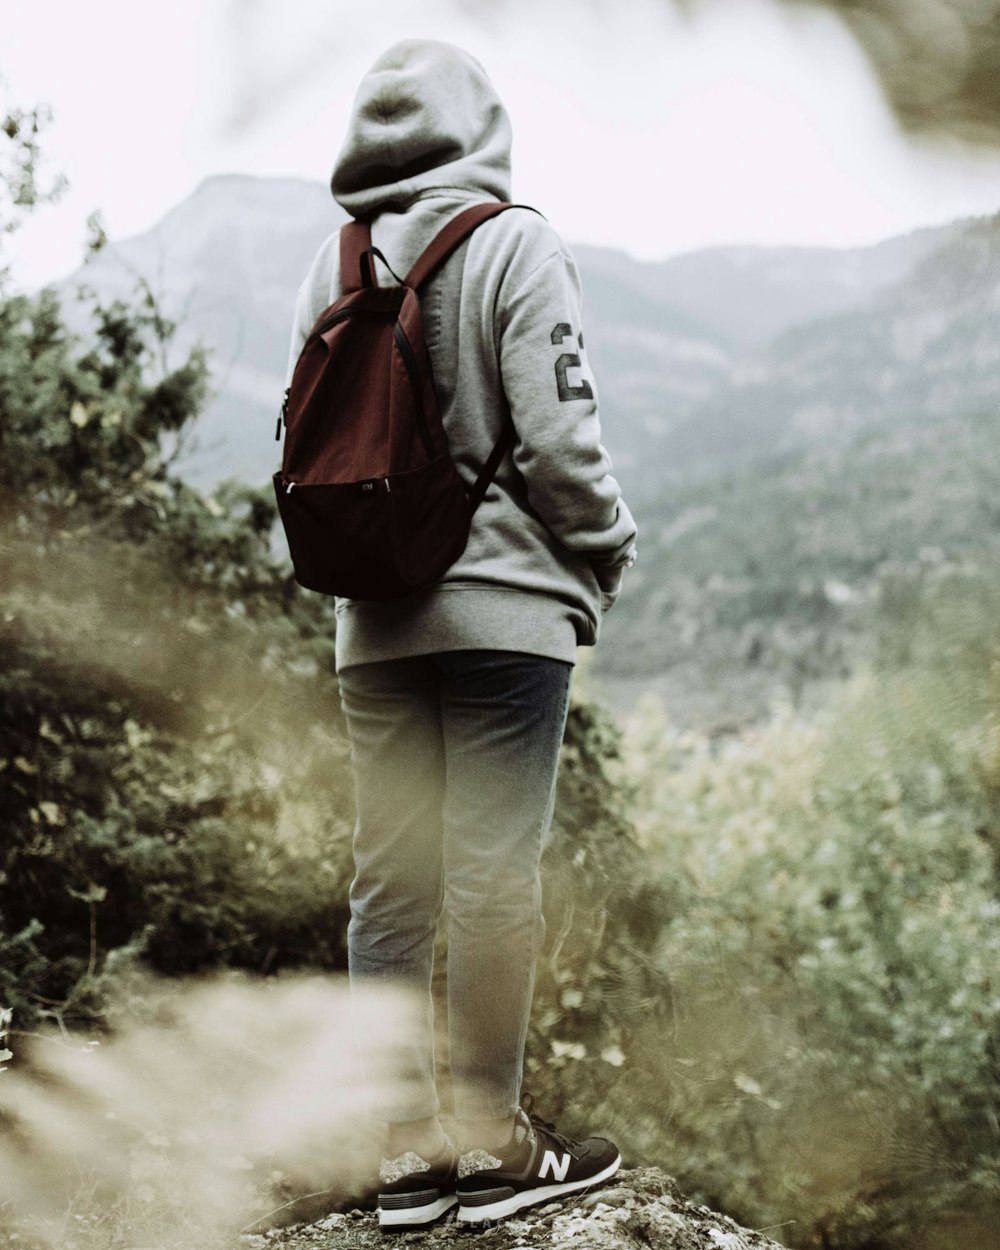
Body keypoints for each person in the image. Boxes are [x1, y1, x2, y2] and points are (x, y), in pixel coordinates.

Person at [283, 38, 637, 1228]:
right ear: (479, 125)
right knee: (493, 873)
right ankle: (491, 1144)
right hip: (504, 615)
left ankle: (398, 1156)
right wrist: (607, 548)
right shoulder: (513, 241)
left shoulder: (328, 264)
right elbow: (558, 440)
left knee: (388, 881)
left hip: (370, 621)